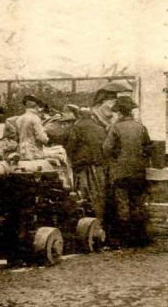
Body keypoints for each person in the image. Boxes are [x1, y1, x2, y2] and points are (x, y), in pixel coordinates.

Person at [102, 96, 153, 247]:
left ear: (120, 113)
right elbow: (149, 148)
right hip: (138, 172)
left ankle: (125, 240)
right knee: (138, 204)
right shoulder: (141, 127)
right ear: (130, 111)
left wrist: (117, 157)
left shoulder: (115, 128)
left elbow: (106, 149)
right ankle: (140, 239)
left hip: (121, 173)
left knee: (122, 204)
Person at [66, 107, 108, 222]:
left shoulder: (75, 128)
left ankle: (84, 220)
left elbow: (70, 147)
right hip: (98, 165)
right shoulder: (100, 129)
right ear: (91, 116)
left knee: (82, 193)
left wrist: (73, 160)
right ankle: (100, 219)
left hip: (82, 166)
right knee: (99, 193)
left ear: (79, 116)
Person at [15, 95, 49, 160]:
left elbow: (16, 136)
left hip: (21, 149)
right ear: (36, 106)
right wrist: (48, 141)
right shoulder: (35, 118)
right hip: (33, 150)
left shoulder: (19, 119)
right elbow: (41, 137)